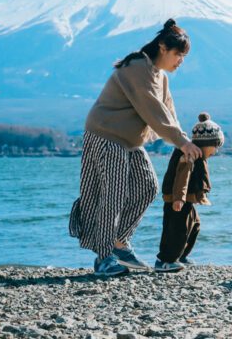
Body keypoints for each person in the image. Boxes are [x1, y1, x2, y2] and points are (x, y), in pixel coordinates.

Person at [68, 19, 202, 277]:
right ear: (162, 47)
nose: (180, 61)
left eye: (183, 56)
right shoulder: (138, 67)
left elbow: (167, 112)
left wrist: (183, 140)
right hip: (107, 134)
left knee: (147, 187)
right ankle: (104, 256)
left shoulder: (159, 75)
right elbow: (152, 110)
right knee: (114, 194)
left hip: (129, 140)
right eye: (178, 54)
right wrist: (181, 142)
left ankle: (119, 243)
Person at [155, 112, 225, 272]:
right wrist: (178, 198)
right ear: (208, 144)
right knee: (177, 229)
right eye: (215, 147)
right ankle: (166, 260)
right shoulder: (189, 154)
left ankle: (181, 256)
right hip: (178, 199)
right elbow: (182, 175)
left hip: (186, 199)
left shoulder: (197, 153)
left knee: (195, 225)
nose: (215, 151)